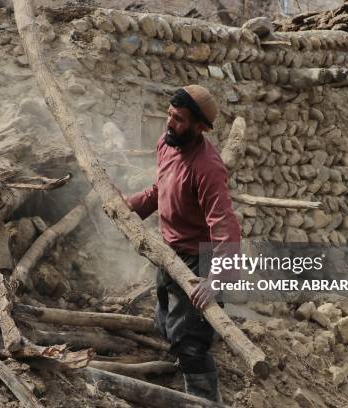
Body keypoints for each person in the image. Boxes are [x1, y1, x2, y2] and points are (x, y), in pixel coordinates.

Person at [125, 85, 241, 402]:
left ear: (199, 127)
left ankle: (204, 400)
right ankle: (186, 368)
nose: (170, 123)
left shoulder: (207, 168)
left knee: (190, 339)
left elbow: (224, 227)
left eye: (179, 119)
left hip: (199, 261)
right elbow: (159, 189)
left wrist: (215, 280)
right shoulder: (166, 144)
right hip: (170, 253)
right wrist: (129, 204)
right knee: (165, 323)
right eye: (169, 115)